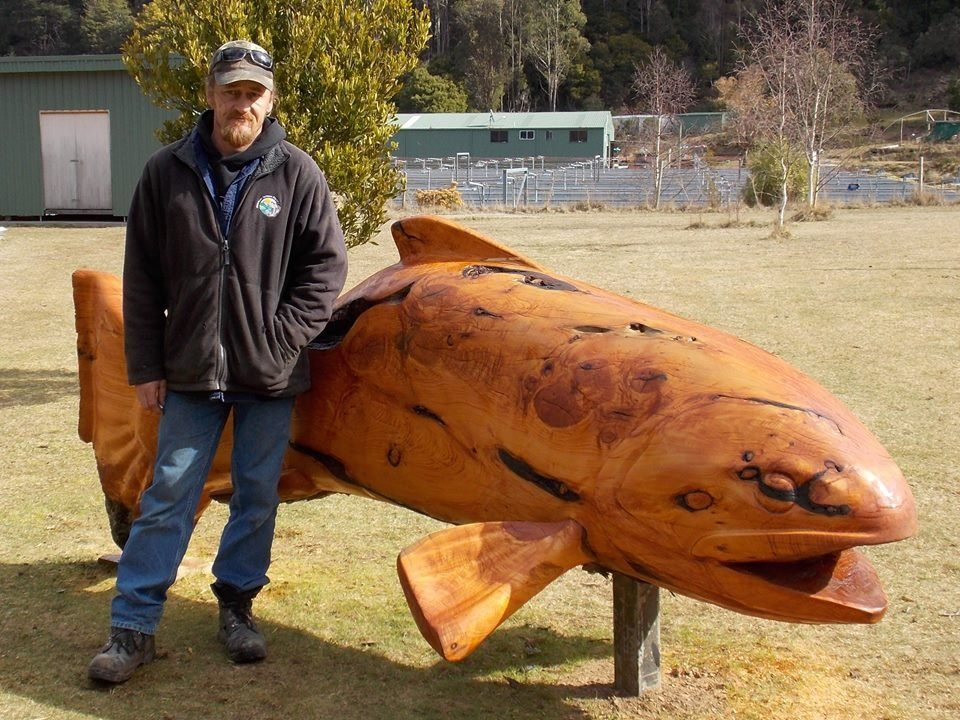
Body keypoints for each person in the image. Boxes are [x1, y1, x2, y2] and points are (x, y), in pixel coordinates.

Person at [88, 40, 348, 683]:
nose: (242, 103)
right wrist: (145, 366)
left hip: (271, 374)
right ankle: (133, 627)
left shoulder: (297, 174)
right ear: (209, 94)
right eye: (231, 90)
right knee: (168, 493)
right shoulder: (165, 172)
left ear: (271, 99)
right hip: (190, 372)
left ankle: (237, 607)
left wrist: (281, 339)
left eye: (254, 92)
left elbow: (325, 270)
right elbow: (141, 279)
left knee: (256, 495)